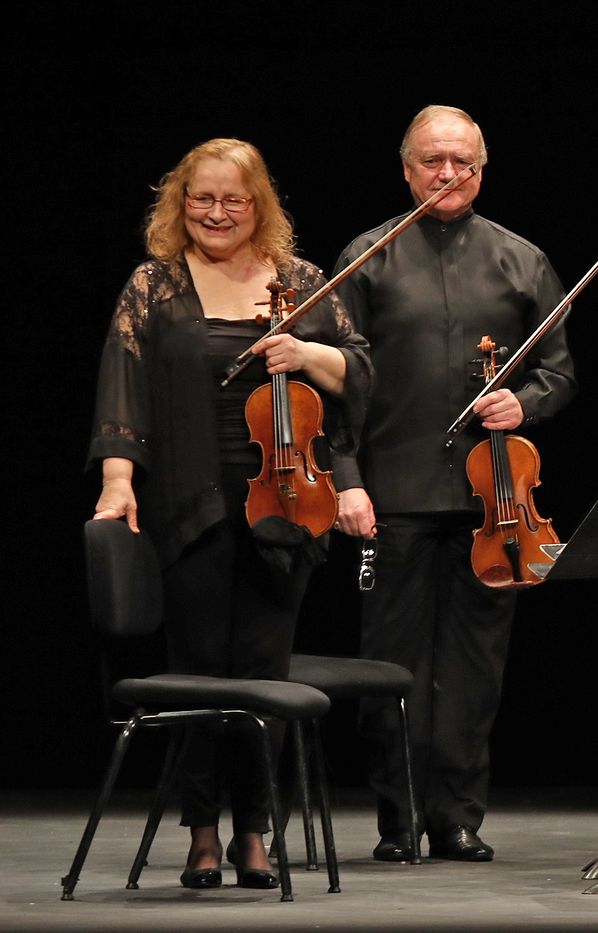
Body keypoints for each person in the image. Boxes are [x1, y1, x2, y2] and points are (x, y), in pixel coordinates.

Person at [89, 138, 371, 890]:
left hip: (285, 499)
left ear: (259, 206)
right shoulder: (155, 285)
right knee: (200, 672)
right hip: (189, 500)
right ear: (181, 204)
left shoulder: (302, 283)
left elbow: (359, 371)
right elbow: (124, 384)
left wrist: (304, 353)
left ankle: (256, 831)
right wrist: (119, 479)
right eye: (201, 199)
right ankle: (202, 832)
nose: (216, 213)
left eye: (232, 200)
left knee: (261, 673)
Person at [332, 105, 576, 863]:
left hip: (494, 502)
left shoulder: (522, 259)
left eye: (462, 162)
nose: (448, 174)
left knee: (476, 669)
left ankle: (457, 816)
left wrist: (523, 402)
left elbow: (559, 372)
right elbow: (337, 386)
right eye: (433, 160)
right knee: (393, 664)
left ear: (482, 167)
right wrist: (346, 479)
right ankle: (397, 817)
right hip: (393, 496)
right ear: (406, 168)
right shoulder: (364, 257)